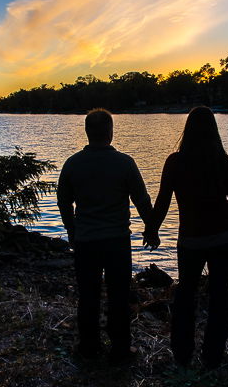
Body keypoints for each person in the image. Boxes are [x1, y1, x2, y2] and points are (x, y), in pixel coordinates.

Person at [146, 106, 228, 369]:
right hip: (226, 236)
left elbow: (163, 201)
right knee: (220, 295)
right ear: (214, 130)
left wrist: (152, 229)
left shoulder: (176, 162)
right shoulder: (225, 162)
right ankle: (212, 357)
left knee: (186, 296)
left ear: (187, 131)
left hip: (192, 239)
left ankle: (182, 355)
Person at [57, 108, 156, 362]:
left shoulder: (73, 163)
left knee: (88, 295)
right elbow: (142, 200)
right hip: (116, 242)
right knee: (119, 296)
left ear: (87, 132)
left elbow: (63, 202)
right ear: (111, 132)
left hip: (86, 241)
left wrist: (71, 230)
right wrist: (151, 228)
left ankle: (89, 346)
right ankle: (121, 348)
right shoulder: (125, 163)